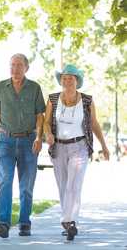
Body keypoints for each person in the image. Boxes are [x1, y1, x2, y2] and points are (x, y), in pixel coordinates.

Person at [44, 64, 110, 241]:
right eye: (64, 78)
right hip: (58, 147)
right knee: (63, 185)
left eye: (70, 78)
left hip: (79, 146)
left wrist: (104, 145)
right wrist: (48, 134)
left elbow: (94, 124)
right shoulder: (53, 99)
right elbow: (46, 121)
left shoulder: (87, 100)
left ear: (77, 81)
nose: (67, 81)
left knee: (74, 184)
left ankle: (70, 221)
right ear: (61, 80)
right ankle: (67, 220)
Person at [0, 53, 45, 238]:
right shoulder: (0, 87)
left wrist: (39, 138)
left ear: (26, 68)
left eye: (19, 65)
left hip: (29, 141)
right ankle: (3, 223)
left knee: (26, 185)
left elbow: (40, 116)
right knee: (5, 181)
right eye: (12, 65)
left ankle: (24, 222)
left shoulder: (35, 88)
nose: (15, 69)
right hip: (5, 140)